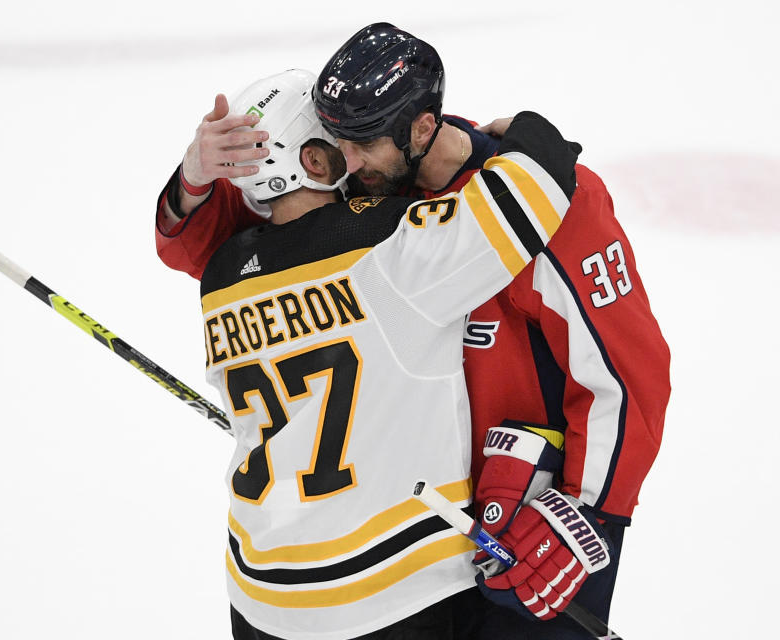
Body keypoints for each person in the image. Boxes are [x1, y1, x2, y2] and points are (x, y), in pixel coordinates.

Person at [155, 23, 670, 638]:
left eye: (363, 142)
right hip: (419, 542)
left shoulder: (559, 204)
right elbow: (253, 257)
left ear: (420, 128)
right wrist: (195, 183)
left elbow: (627, 371)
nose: (346, 162)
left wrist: (588, 507)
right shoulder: (359, 189)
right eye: (335, 140)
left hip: (534, 520)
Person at [197, 69, 580, 639]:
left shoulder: (220, 276)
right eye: (339, 142)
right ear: (316, 163)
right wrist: (518, 131)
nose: (356, 155)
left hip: (258, 593)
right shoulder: (388, 246)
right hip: (384, 594)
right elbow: (532, 196)